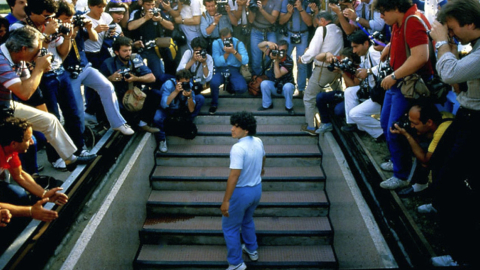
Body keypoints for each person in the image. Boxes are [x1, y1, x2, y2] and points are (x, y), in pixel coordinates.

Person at [426, 0, 480, 266]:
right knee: (439, 163)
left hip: (475, 123)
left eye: (453, 28)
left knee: (451, 183)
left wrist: (440, 43)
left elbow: (448, 73)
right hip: (467, 117)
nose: (451, 34)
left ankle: (465, 256)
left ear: (470, 23)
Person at [0, 26, 96, 172]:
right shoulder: (1, 61)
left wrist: (38, 70)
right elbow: (24, 93)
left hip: (6, 106)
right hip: (3, 109)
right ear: (24, 49)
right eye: (37, 50)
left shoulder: (19, 58)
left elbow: (30, 90)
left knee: (49, 120)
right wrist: (38, 69)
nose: (40, 53)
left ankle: (70, 159)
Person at [374, 0, 433, 190]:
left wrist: (394, 75)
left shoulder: (413, 21)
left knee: (395, 128)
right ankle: (396, 159)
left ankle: (402, 174)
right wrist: (389, 46)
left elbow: (420, 56)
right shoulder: (399, 22)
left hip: (406, 83)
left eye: (383, 11)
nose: (381, 16)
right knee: (386, 123)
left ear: (395, 8)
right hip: (398, 82)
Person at [57, 0, 135, 136]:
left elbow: (93, 38)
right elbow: (63, 52)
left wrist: (88, 28)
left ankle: (118, 123)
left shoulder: (78, 23)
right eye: (66, 19)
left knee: (107, 86)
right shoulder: (56, 30)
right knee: (77, 106)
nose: (69, 21)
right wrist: (69, 35)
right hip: (69, 71)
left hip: (84, 66)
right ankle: (79, 139)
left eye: (71, 18)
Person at [0, 117, 68, 252]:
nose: (31, 142)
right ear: (14, 143)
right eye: (27, 139)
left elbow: (20, 175)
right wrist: (30, 211)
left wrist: (44, 194)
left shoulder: (9, 148)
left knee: (20, 196)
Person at [221, 111, 265, 270]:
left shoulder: (238, 148)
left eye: (236, 127)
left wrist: (226, 200)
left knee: (230, 227)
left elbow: (234, 176)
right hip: (256, 190)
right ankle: (252, 249)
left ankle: (236, 263)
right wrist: (261, 170)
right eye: (233, 125)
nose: (232, 129)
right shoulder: (258, 141)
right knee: (247, 219)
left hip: (241, 193)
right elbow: (264, 157)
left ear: (246, 130)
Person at [99, 36, 162, 133]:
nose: (128, 53)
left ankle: (143, 124)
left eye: (129, 50)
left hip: (136, 94)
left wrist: (136, 78)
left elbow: (152, 78)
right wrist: (110, 79)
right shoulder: (108, 64)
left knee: (156, 94)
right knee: (130, 124)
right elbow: (97, 86)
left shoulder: (135, 58)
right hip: (119, 99)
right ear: (116, 52)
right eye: (124, 51)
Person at [387, 103, 453, 195]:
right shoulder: (439, 117)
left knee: (423, 151)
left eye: (414, 123)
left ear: (429, 122)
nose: (411, 126)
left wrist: (407, 135)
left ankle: (437, 197)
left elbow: (426, 160)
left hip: (459, 160)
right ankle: (420, 185)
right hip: (447, 148)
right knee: (420, 145)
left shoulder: (443, 130)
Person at [298, 11, 344, 135]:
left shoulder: (321, 30)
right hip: (336, 69)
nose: (317, 24)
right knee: (338, 94)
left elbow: (313, 51)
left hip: (322, 68)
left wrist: (302, 59)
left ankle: (311, 127)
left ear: (322, 20)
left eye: (318, 21)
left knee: (308, 97)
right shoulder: (338, 30)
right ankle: (338, 119)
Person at [342, 30, 383, 140]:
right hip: (371, 90)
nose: (354, 51)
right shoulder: (363, 54)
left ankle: (382, 132)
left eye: (356, 47)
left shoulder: (373, 51)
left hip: (382, 95)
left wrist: (369, 71)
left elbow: (386, 67)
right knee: (349, 92)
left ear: (365, 44)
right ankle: (354, 125)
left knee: (354, 114)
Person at [153, 69, 204, 152]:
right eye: (183, 83)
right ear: (177, 81)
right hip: (167, 109)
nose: (185, 85)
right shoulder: (168, 84)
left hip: (180, 109)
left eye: (187, 82)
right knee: (157, 118)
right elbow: (164, 104)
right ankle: (162, 139)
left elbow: (191, 109)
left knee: (200, 99)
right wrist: (176, 91)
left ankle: (188, 121)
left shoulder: (189, 86)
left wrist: (189, 97)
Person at [128, 0, 174, 84]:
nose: (150, 7)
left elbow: (171, 26)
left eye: (152, 5)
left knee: (157, 75)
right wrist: (145, 18)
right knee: (140, 74)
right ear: (143, 4)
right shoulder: (136, 12)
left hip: (154, 50)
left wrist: (160, 19)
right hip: (139, 49)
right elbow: (130, 27)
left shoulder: (158, 11)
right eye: (148, 5)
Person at [209, 27, 248, 114]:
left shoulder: (238, 43)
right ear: (221, 37)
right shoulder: (216, 43)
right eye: (225, 39)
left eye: (229, 38)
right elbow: (217, 63)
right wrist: (226, 53)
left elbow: (245, 60)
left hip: (233, 69)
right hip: (220, 69)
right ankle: (214, 104)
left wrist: (234, 51)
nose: (228, 40)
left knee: (242, 88)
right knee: (214, 83)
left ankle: (230, 86)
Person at [278, 0, 313, 97]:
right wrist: (289, 13)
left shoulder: (306, 2)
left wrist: (301, 9)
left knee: (301, 62)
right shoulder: (286, 1)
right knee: (283, 60)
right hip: (288, 33)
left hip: (303, 34)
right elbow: (281, 21)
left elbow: (310, 23)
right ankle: (285, 86)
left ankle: (301, 90)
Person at [257, 40, 295, 115]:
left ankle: (289, 107)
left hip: (286, 88)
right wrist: (268, 43)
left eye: (282, 51)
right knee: (264, 83)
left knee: (288, 87)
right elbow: (260, 46)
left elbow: (278, 75)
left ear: (286, 51)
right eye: (278, 50)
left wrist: (276, 61)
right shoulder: (273, 54)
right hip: (275, 86)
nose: (280, 53)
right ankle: (267, 104)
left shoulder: (289, 61)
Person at [248, 0, 281, 76]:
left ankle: (269, 80)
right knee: (256, 60)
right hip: (256, 31)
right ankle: (256, 82)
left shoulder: (276, 1)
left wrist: (261, 10)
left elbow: (272, 20)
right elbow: (251, 20)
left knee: (271, 57)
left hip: (270, 31)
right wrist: (251, 8)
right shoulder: (254, 1)